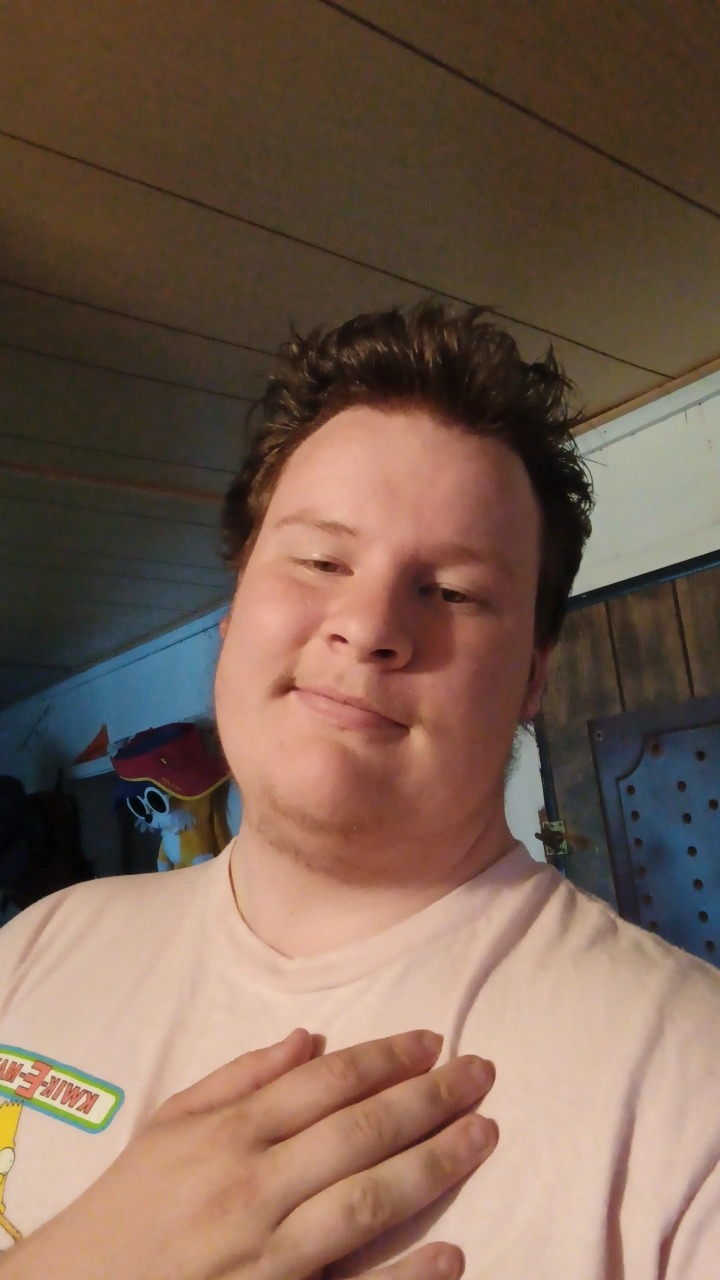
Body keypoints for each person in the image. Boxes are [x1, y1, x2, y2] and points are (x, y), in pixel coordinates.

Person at [0, 302, 718, 1278]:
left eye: (452, 591)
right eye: (321, 560)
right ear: (233, 607)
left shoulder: (691, 1088)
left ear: (534, 677)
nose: (370, 624)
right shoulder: (37, 946)